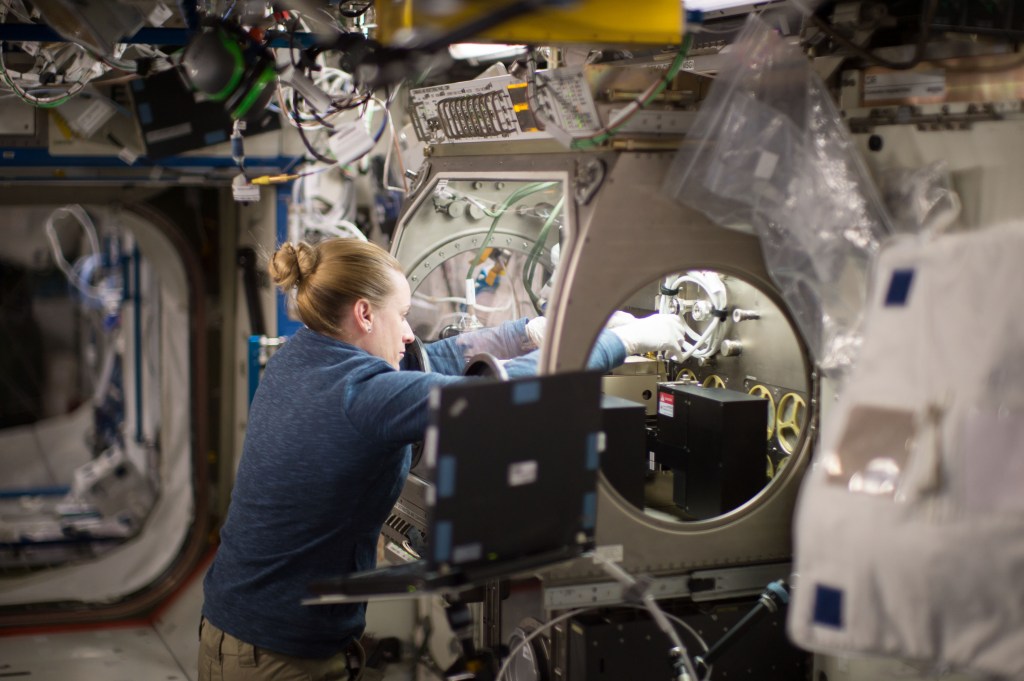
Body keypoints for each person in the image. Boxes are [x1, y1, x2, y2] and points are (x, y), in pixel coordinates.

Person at [198, 237, 688, 681]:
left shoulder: (306, 355)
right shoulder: (359, 394)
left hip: (246, 629)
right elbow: (495, 396)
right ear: (365, 314)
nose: (409, 333)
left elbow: (436, 359)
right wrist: (621, 344)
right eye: (403, 315)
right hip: (273, 656)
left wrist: (535, 331)